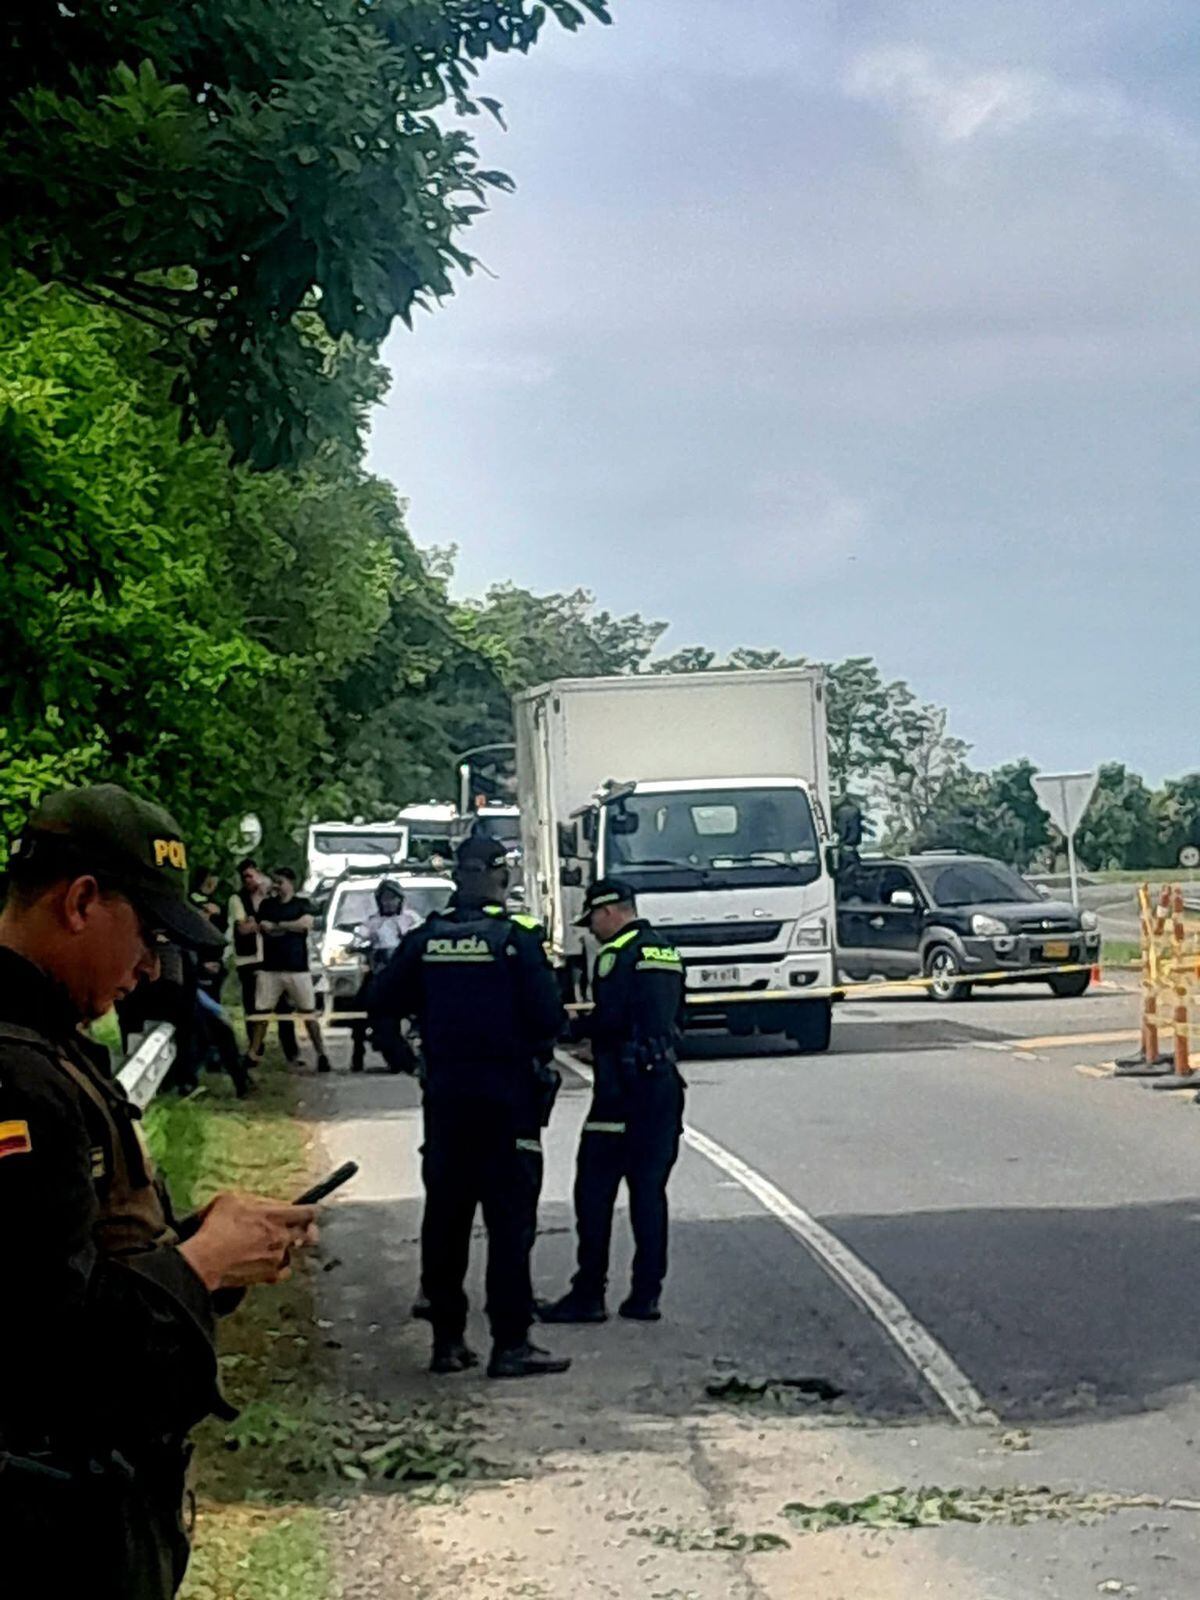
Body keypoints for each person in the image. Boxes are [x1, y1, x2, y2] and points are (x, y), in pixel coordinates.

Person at [0, 782, 317, 1600]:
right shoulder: (16, 1077)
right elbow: (44, 1341)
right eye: (145, 936)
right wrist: (201, 1263)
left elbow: (74, 1250)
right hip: (41, 1528)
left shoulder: (50, 1045)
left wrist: (192, 1242)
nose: (150, 968)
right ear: (80, 903)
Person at [369, 835, 569, 1378]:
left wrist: (407, 1062)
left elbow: (380, 1004)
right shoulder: (513, 940)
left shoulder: (426, 939)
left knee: (447, 1219)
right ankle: (511, 1343)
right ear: (499, 878)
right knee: (509, 1223)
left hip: (448, 1100)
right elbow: (549, 1018)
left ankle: (447, 1340)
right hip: (507, 1103)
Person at [540, 878, 686, 1325]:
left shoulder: (615, 955)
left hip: (620, 1092)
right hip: (663, 1087)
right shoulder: (667, 951)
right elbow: (678, 1013)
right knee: (649, 1194)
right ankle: (646, 1295)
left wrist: (575, 1031)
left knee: (594, 1191)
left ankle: (589, 1293)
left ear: (610, 912)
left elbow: (611, 1018)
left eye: (593, 922)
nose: (592, 932)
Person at [243, 867, 330, 1075]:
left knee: (308, 1012)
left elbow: (305, 924)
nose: (276, 886)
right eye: (274, 882)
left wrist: (280, 926)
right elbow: (262, 925)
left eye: (280, 882)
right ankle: (253, 1053)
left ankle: (321, 1054)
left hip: (298, 969)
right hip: (270, 969)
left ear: (291, 883)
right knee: (262, 1012)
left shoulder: (302, 904)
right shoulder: (266, 905)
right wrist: (286, 927)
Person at [228, 858, 298, 1062]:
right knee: (252, 1007)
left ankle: (291, 1051)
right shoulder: (238, 899)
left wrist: (261, 922)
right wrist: (263, 923)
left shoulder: (272, 895)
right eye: (244, 878)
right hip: (248, 959)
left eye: (250, 876)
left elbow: (280, 919)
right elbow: (243, 928)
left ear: (259, 874)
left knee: (283, 1007)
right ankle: (255, 1051)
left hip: (274, 958)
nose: (248, 881)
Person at [350, 879, 419, 1074]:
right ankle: (359, 1050)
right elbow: (358, 937)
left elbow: (418, 939)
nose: (388, 903)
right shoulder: (372, 922)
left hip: (406, 976)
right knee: (361, 1009)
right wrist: (356, 945)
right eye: (384, 899)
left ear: (400, 900)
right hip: (380, 975)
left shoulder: (410, 919)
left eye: (392, 898)